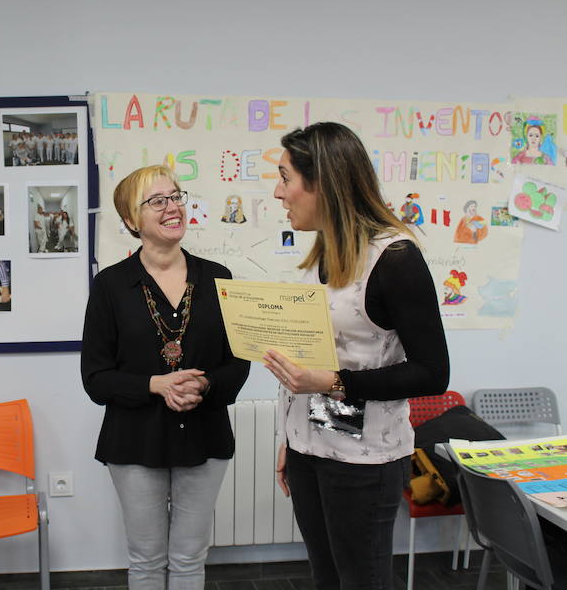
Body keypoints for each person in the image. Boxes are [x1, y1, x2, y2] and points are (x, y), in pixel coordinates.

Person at [265, 122, 449, 590]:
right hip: (311, 448)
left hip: (363, 461)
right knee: (328, 578)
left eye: (285, 177)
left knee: (362, 581)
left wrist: (332, 383)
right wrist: (293, 438)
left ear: (322, 182)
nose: (278, 192)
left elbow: (432, 373)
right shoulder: (328, 249)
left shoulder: (396, 259)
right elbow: (326, 356)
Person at [81, 165, 250, 589]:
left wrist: (205, 384)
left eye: (176, 196)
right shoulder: (110, 286)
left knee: (191, 559)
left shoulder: (218, 278)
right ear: (131, 221)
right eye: (157, 201)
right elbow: (95, 379)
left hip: (205, 436)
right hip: (134, 440)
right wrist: (154, 385)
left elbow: (239, 364)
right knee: (146, 561)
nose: (172, 207)